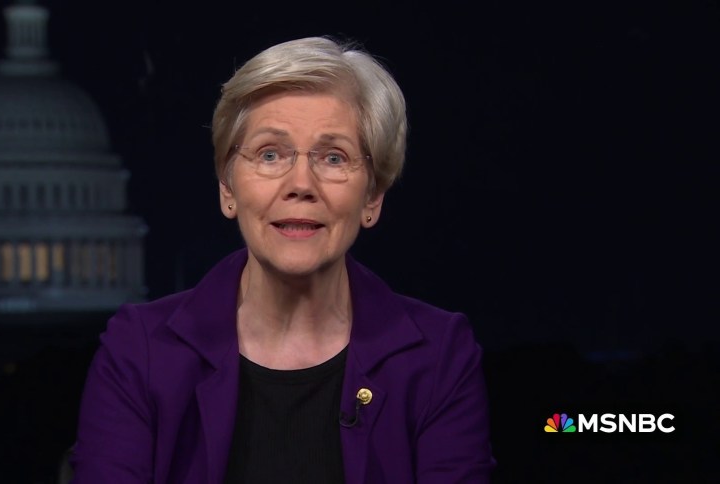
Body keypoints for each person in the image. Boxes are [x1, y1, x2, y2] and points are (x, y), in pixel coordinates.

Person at [70, 36, 495, 483]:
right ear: (227, 186)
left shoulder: (439, 357)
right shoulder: (140, 353)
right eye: (270, 154)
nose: (301, 185)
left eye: (334, 157)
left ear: (372, 196)